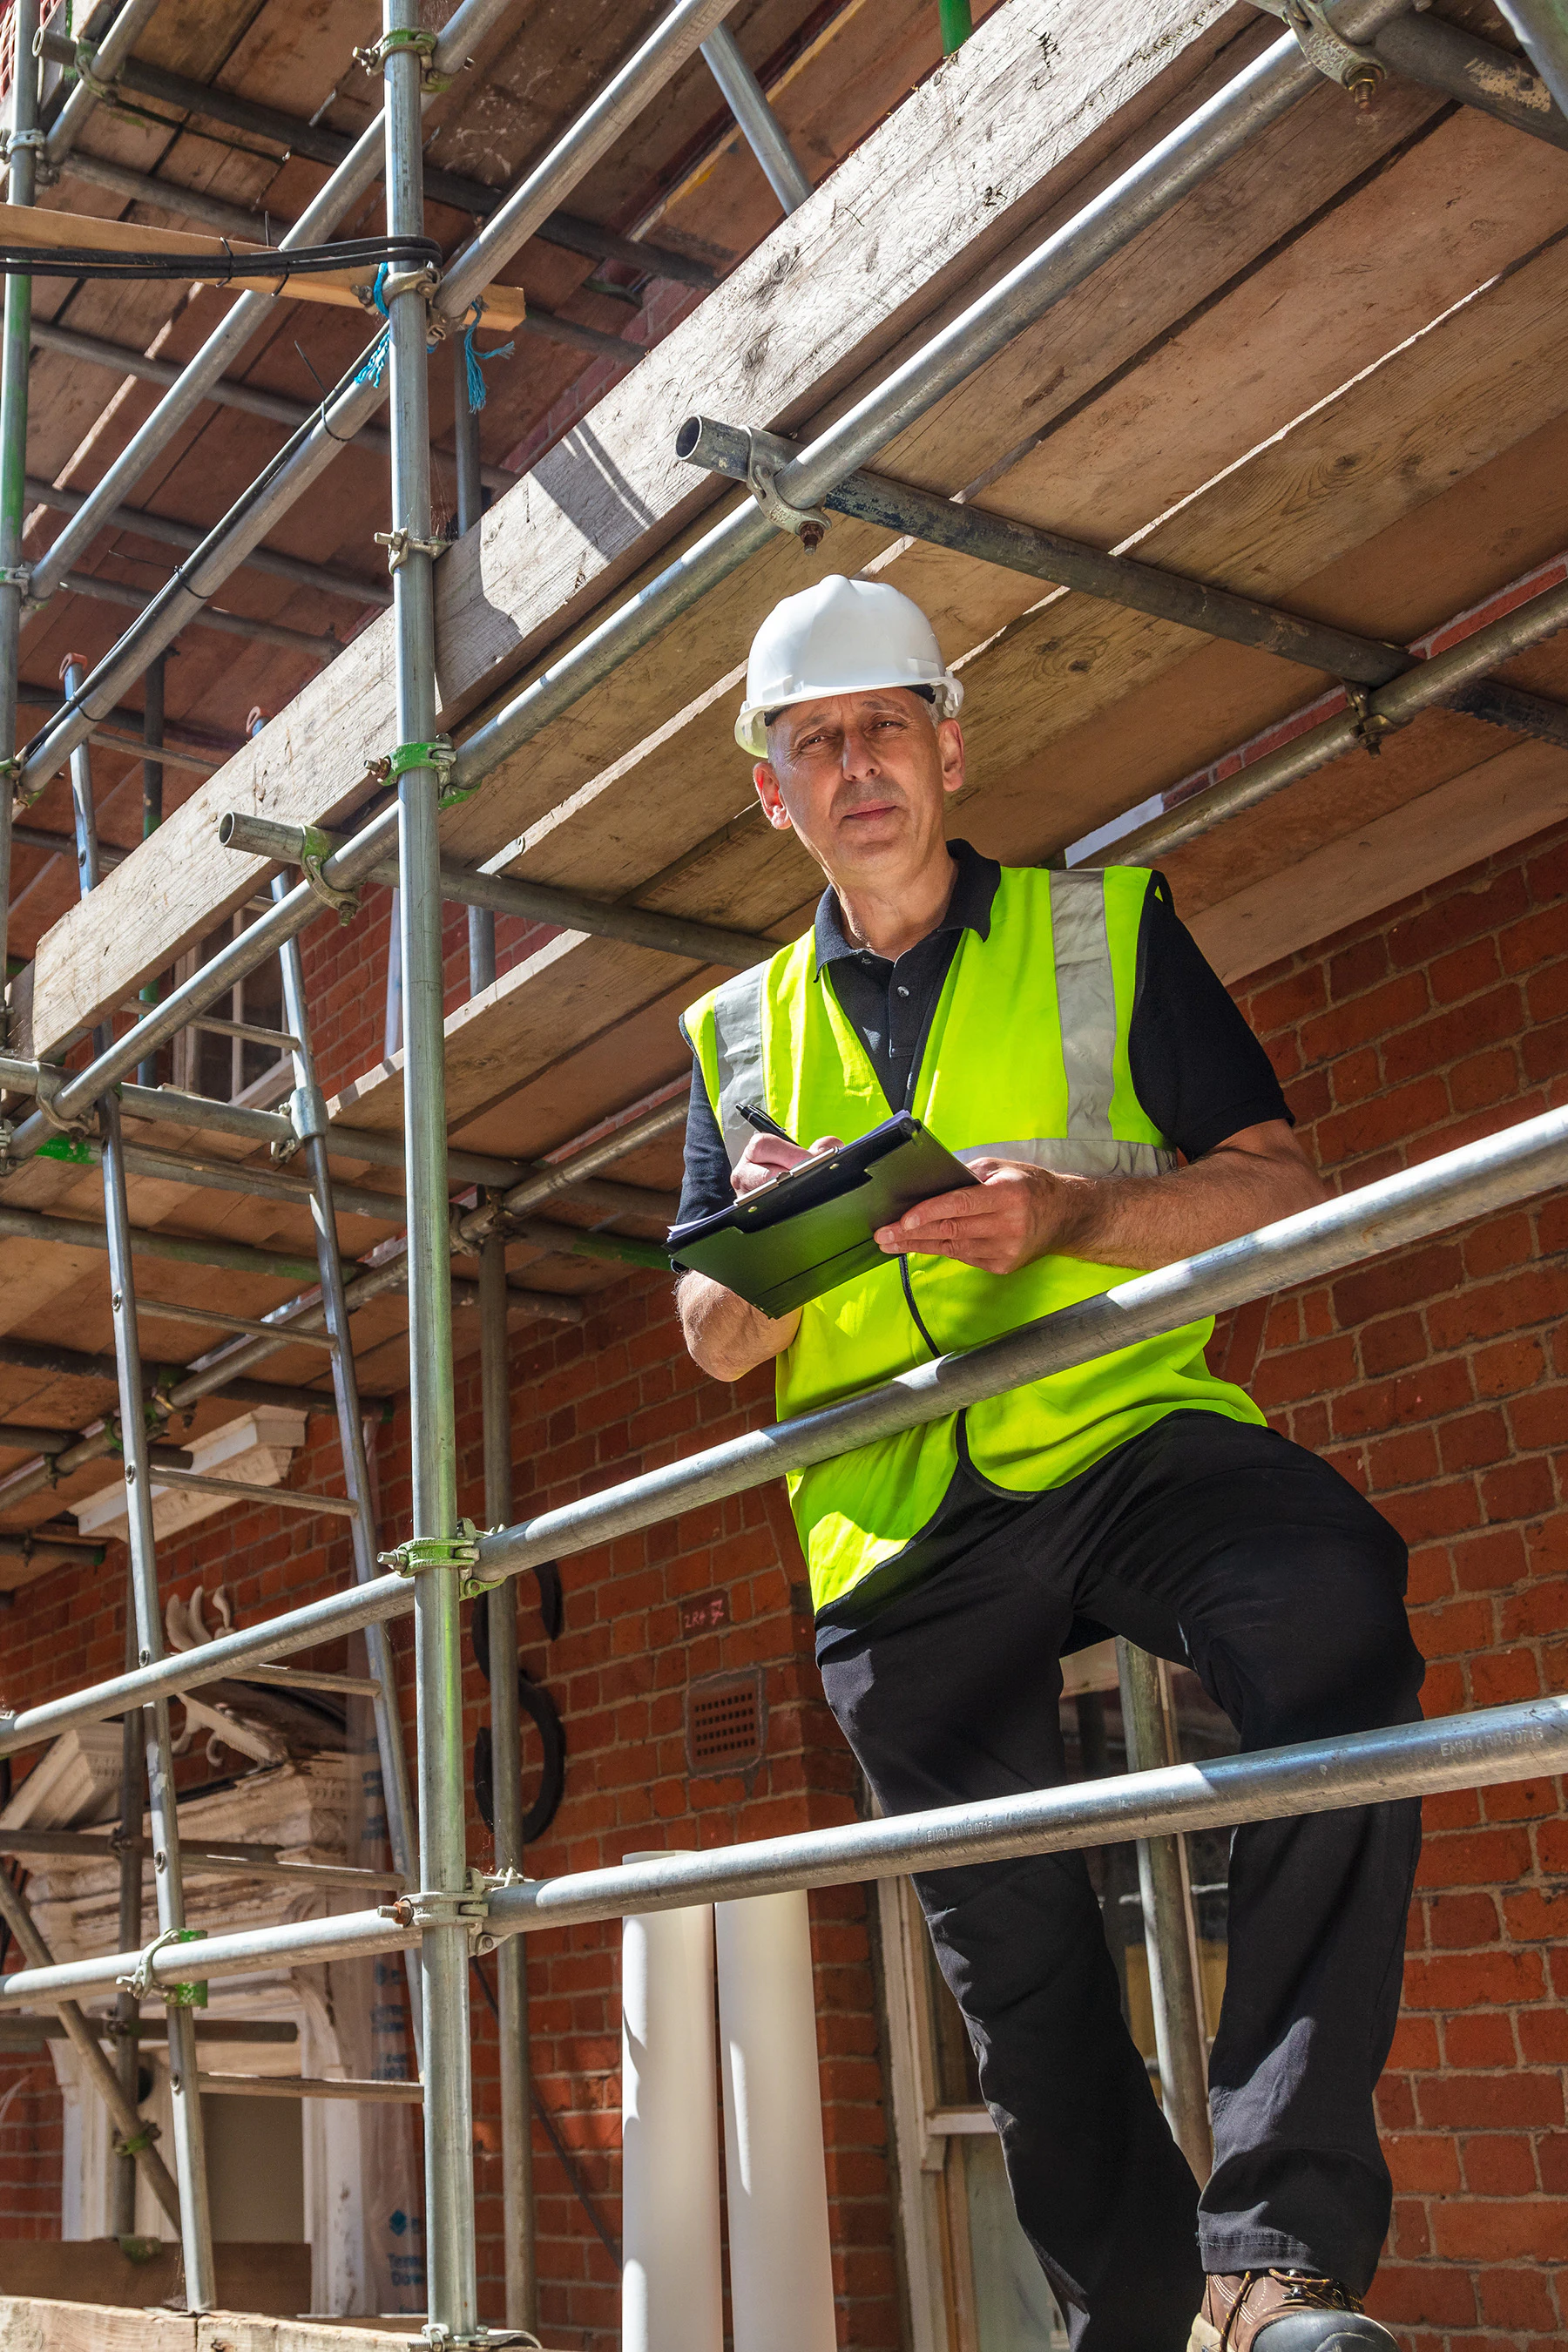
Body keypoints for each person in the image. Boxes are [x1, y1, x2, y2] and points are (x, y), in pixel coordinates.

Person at [672, 574, 1423, 2352]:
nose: (854, 767)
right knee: (1018, 1970)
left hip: (1117, 1433)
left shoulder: (1106, 930)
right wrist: (782, 1249)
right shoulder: (728, 1033)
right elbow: (707, 1332)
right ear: (772, 792)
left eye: (881, 729)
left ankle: (1280, 2262)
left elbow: (1276, 1182)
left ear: (947, 742)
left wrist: (1081, 1210)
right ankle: (1152, 2322)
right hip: (890, 1528)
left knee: (1333, 1604)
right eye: (813, 744)